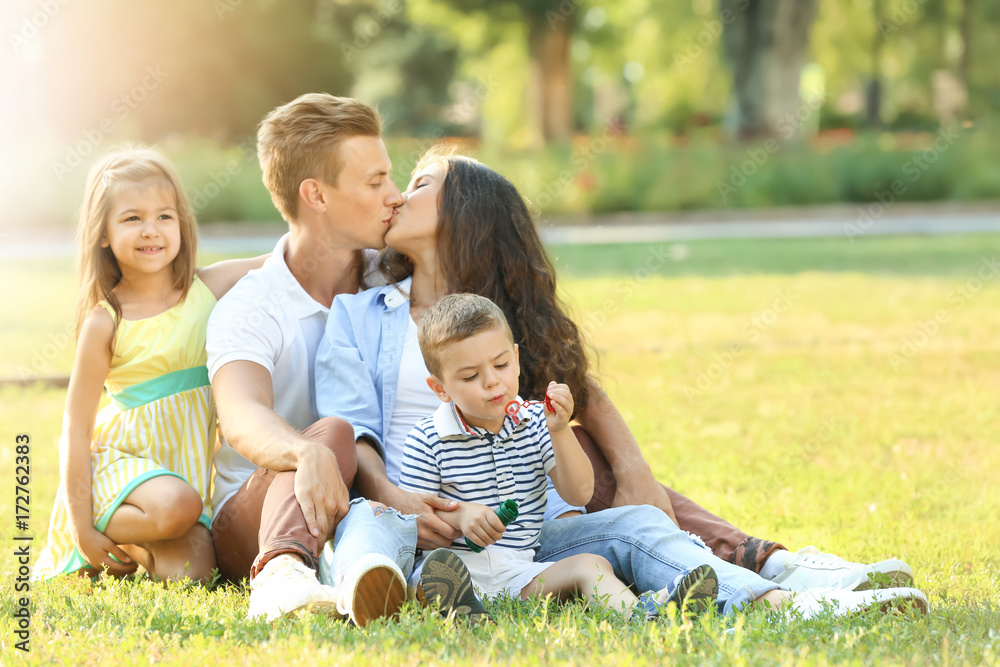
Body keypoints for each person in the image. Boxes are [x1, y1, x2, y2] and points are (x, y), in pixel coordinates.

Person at [315, 150, 929, 619]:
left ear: (466, 212)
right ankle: (376, 586)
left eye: (419, 185)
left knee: (639, 521)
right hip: (419, 513)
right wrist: (403, 501)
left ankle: (781, 596)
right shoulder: (362, 313)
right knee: (370, 524)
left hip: (525, 525)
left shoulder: (506, 315)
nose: (396, 196)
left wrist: (627, 469)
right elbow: (355, 430)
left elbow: (577, 399)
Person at [205, 94, 481, 625]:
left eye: (391, 178)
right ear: (316, 195)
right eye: (374, 182)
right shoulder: (254, 304)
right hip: (256, 515)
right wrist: (305, 453)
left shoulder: (394, 277)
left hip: (363, 505)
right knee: (329, 433)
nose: (395, 196)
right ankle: (280, 575)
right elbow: (240, 415)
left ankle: (686, 539)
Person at [399, 293, 718, 617]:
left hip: (521, 571)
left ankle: (644, 617)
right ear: (439, 388)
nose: (492, 381)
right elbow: (414, 523)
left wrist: (560, 430)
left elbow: (579, 492)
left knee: (590, 565)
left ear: (517, 358)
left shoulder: (536, 422)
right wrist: (460, 516)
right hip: (453, 569)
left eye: (501, 364)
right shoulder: (427, 438)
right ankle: (458, 603)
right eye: (471, 376)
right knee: (432, 575)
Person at [34, 147, 266, 583]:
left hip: (177, 480)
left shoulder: (208, 288)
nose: (151, 230)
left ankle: (130, 543)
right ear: (102, 234)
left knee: (195, 574)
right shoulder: (106, 320)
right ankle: (93, 529)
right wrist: (81, 525)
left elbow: (287, 260)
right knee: (179, 506)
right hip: (120, 466)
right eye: (131, 218)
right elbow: (75, 427)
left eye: (164, 216)